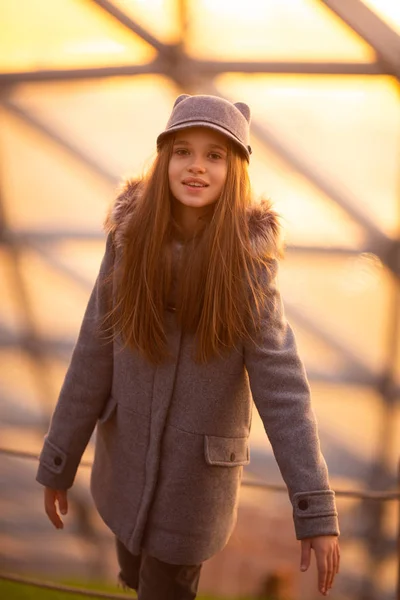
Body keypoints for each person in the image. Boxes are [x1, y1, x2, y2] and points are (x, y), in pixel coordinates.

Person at [37, 94, 340, 599]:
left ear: (235, 168)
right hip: (124, 468)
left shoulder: (248, 266)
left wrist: (315, 507)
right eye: (182, 152)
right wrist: (58, 461)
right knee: (132, 574)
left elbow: (283, 388)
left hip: (193, 494)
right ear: (165, 160)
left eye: (214, 155)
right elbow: (93, 351)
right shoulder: (128, 241)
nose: (196, 167)